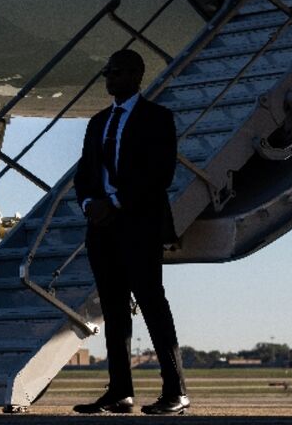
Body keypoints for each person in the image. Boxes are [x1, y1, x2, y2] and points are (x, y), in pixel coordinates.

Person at [72, 50, 188, 415]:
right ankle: (120, 391)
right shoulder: (98, 122)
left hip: (139, 224)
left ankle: (176, 391)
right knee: (113, 311)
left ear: (138, 75)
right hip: (101, 228)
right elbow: (84, 174)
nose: (110, 78)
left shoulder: (157, 118)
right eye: (107, 72)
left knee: (153, 305)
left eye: (117, 72)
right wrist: (90, 203)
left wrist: (116, 202)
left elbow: (160, 175)